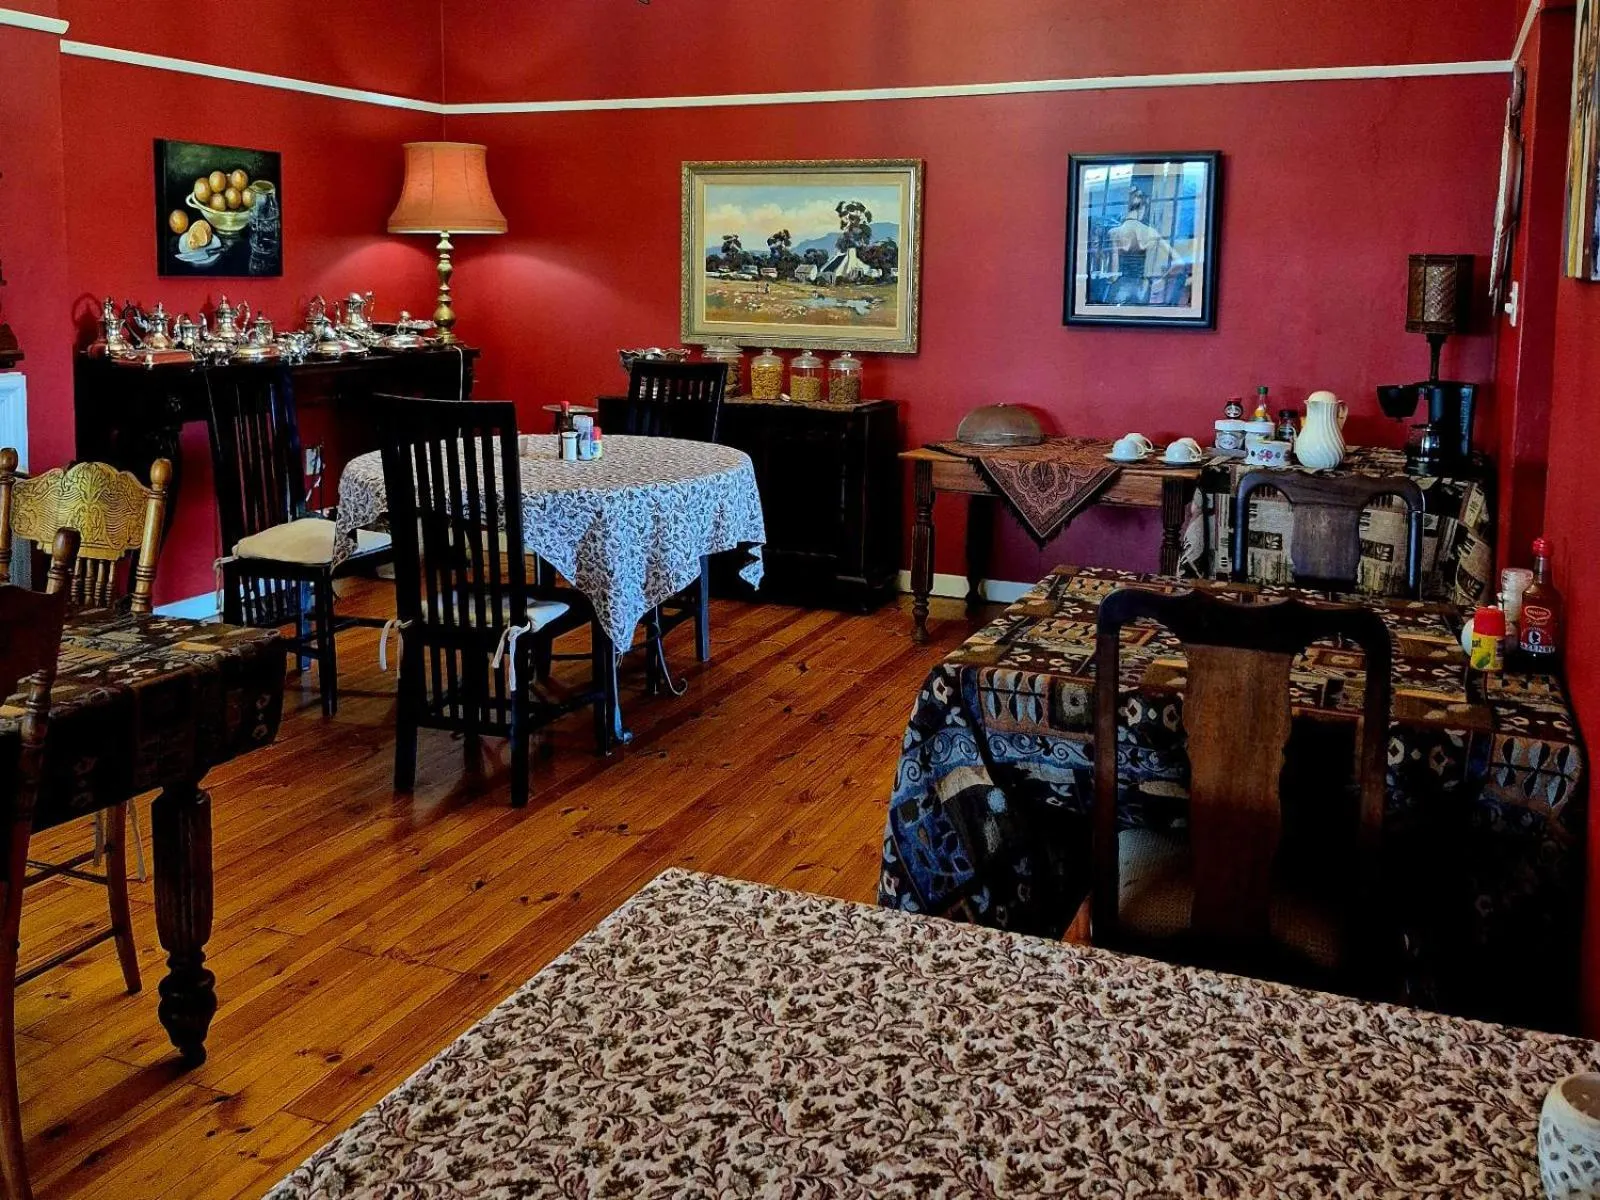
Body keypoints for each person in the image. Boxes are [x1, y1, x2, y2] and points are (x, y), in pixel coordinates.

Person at [1104, 185, 1184, 306]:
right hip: (1142, 289)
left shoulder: (1114, 232)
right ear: (1143, 208)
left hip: (1121, 288)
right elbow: (1179, 261)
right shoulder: (1151, 232)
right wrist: (1161, 281)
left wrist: (1108, 282)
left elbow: (1114, 274)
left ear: (1125, 208)